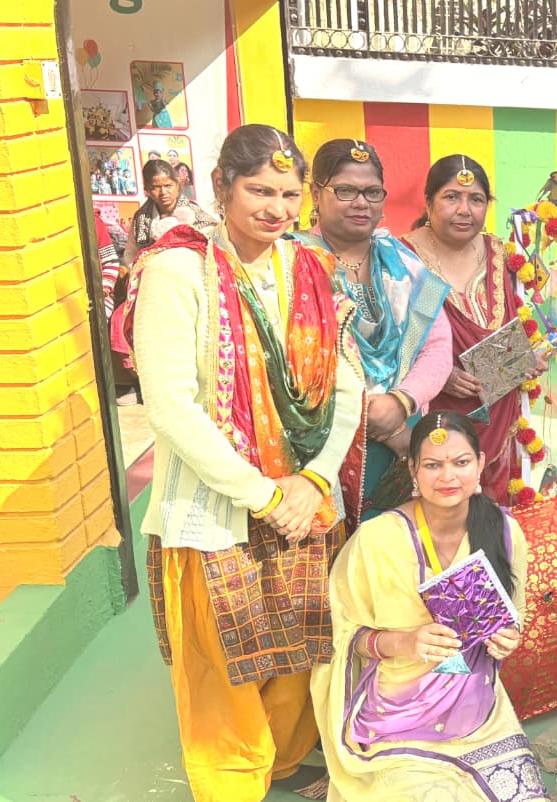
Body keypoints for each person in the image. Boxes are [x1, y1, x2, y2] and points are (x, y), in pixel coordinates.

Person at [129, 124, 365, 801]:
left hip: (304, 501)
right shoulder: (178, 272)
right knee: (223, 669)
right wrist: (266, 495)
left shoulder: (309, 268)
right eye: (260, 190)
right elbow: (171, 408)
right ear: (222, 187)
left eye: (289, 194)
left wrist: (312, 479)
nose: (276, 208)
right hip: (216, 511)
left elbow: (346, 386)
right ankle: (232, 787)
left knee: (298, 652)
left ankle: (283, 766)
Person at [311, 411, 548, 801]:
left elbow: (513, 614)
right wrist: (404, 642)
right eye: (433, 465)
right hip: (396, 718)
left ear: (480, 463)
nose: (447, 476)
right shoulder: (377, 539)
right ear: (413, 469)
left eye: (461, 462)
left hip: (479, 714)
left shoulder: (505, 531)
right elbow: (341, 634)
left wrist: (509, 637)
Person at [299, 138, 453, 520]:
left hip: (401, 441)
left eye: (371, 192)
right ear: (316, 194)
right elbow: (293, 361)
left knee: (394, 546)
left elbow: (436, 344)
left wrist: (402, 401)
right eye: (345, 191)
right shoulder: (295, 261)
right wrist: (380, 424)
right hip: (324, 443)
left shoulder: (402, 262)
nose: (361, 203)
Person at [402, 154, 546, 505]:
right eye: (451, 197)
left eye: (476, 199)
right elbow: (398, 340)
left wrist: (526, 357)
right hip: (434, 415)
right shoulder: (406, 258)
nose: (464, 210)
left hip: (499, 412)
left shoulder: (498, 252)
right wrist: (438, 374)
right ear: (428, 202)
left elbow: (512, 324)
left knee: (491, 515)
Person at [122, 158, 215, 265]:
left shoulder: (196, 216)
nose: (163, 192)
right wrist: (139, 271)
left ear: (177, 185)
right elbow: (131, 253)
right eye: (156, 187)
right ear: (147, 190)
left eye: (168, 186)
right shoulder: (141, 218)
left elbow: (211, 250)